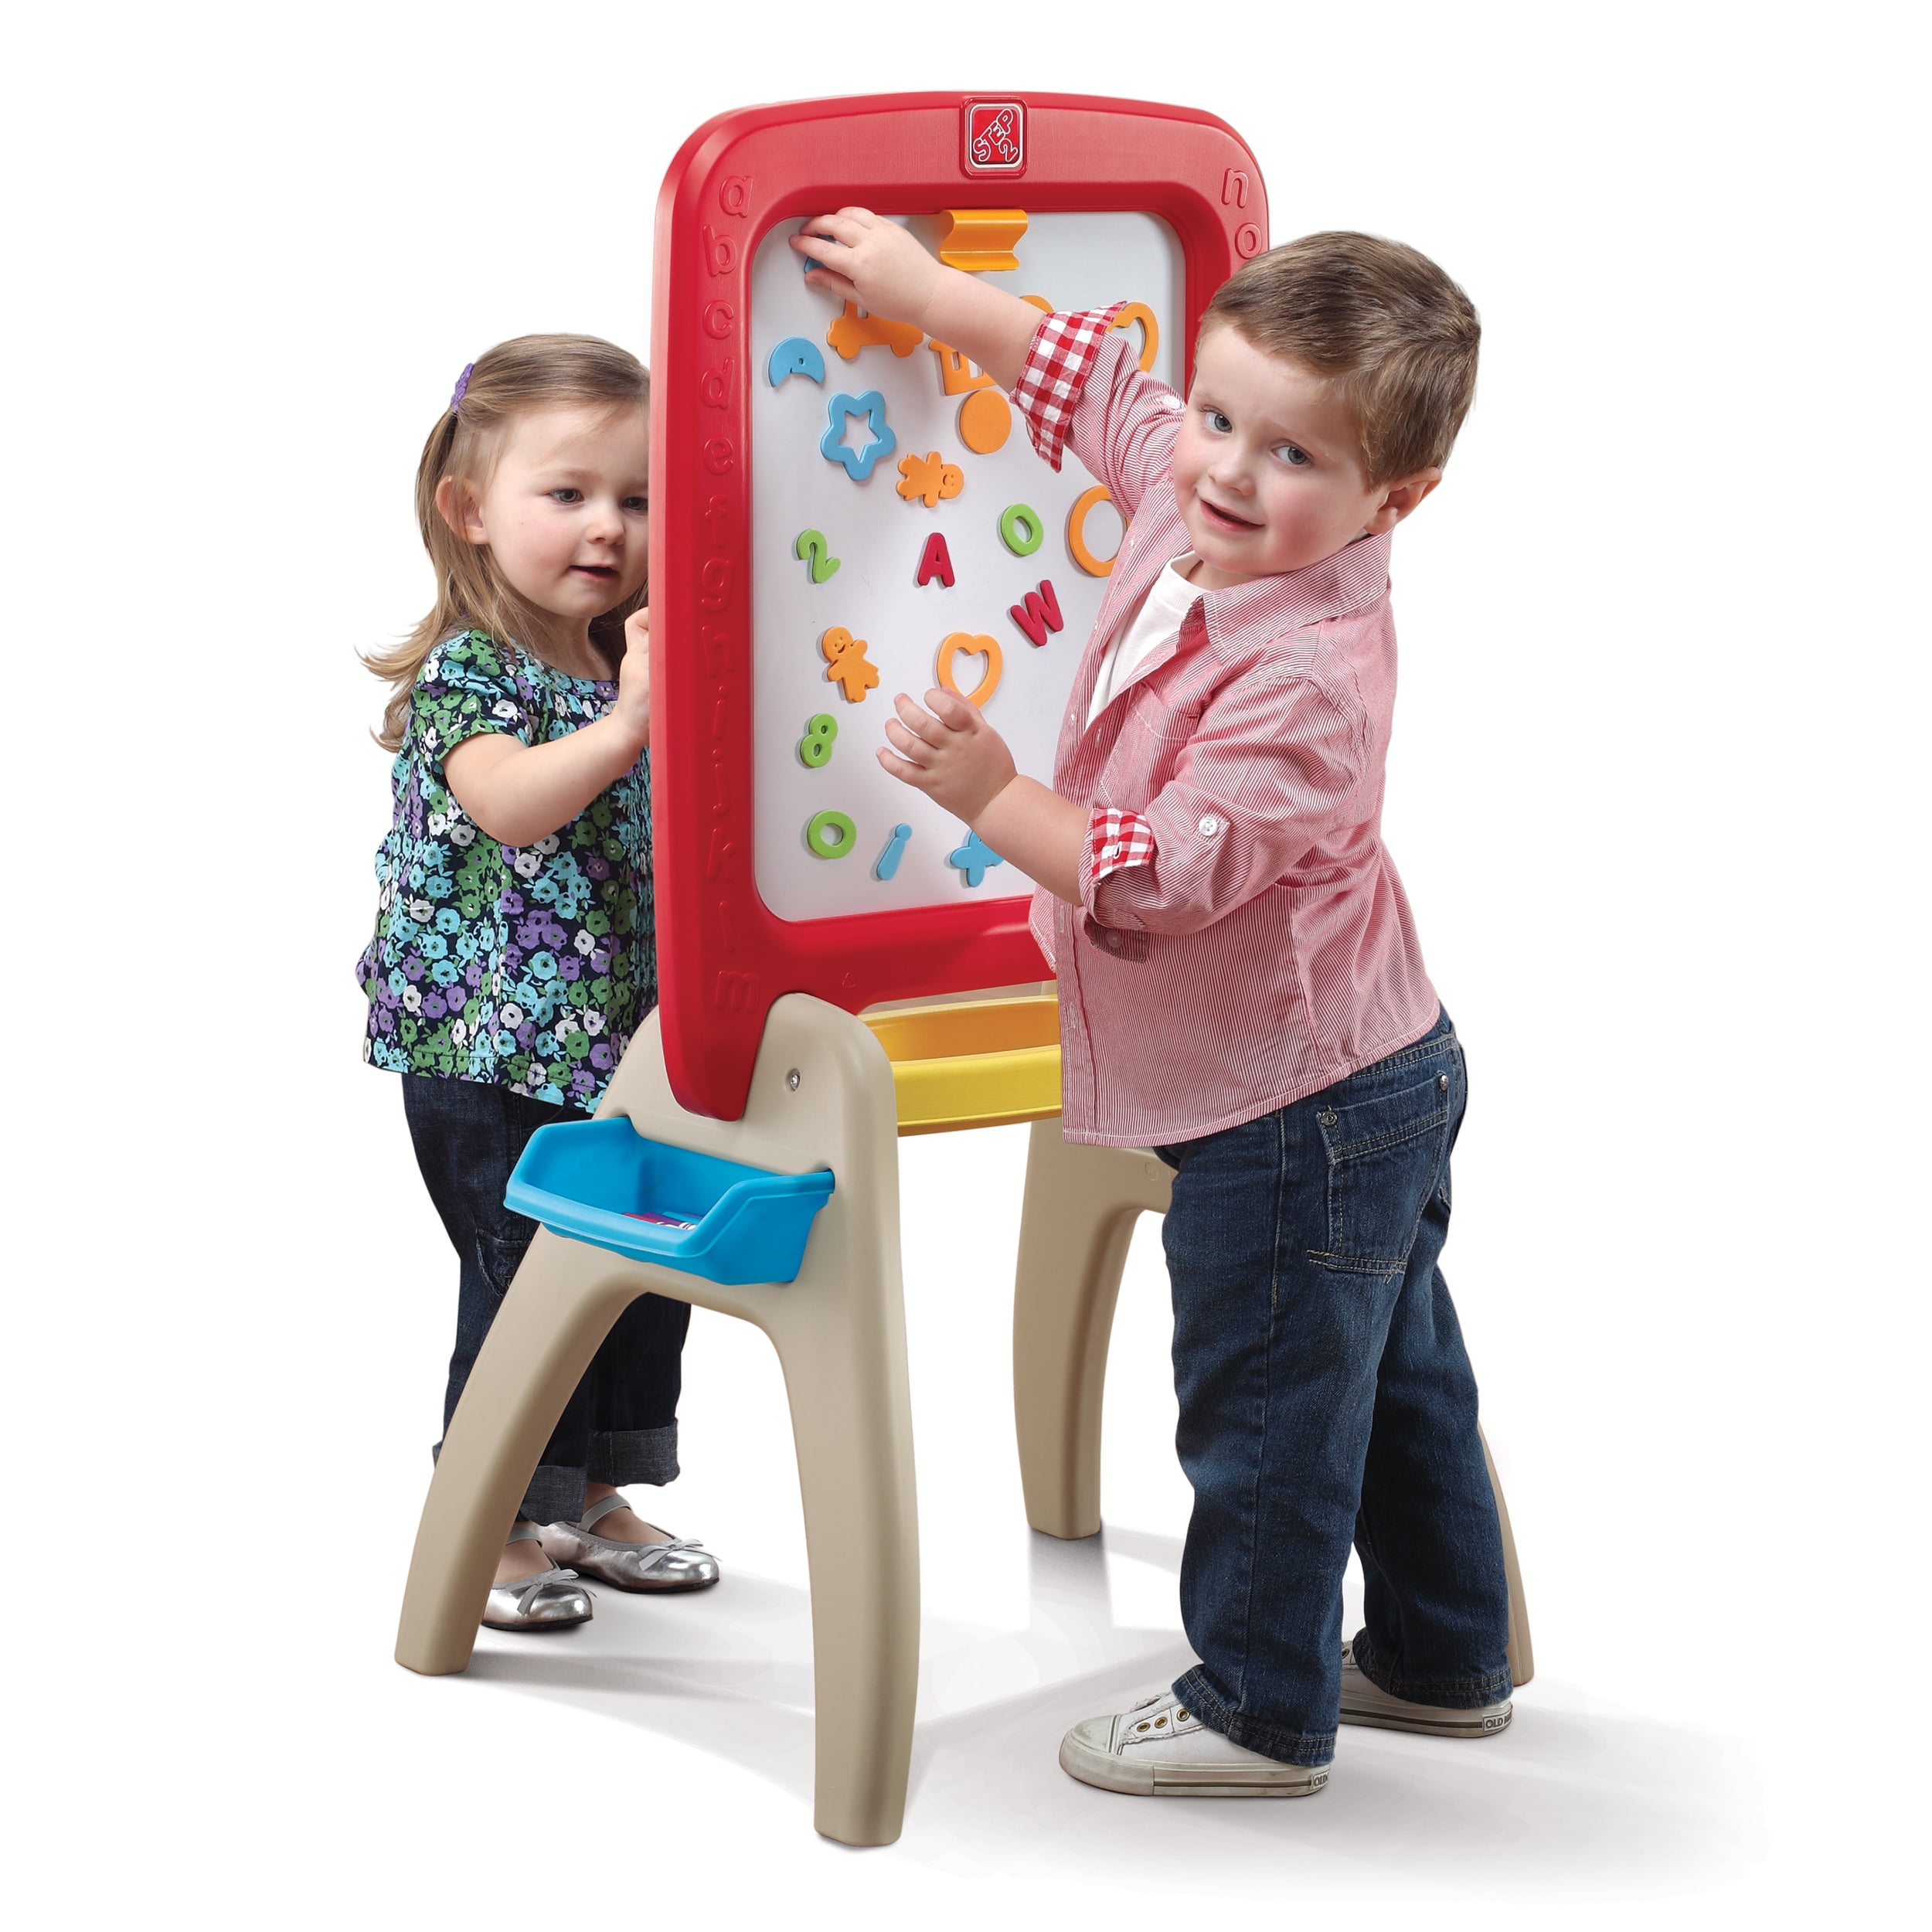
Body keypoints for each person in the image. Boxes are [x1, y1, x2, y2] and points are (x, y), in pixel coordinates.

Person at [791, 214, 1512, 1794]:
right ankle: (1444, 1654)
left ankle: (1257, 1707)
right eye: (1220, 417)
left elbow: (1165, 873)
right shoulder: (1193, 503)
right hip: (1354, 1064)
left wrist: (991, 795)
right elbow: (1099, 389)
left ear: (1395, 500)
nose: (1229, 472)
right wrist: (928, 293)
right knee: (1391, 1377)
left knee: (1264, 1406)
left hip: (1295, 1103)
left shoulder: (1309, 671)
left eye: (1293, 455)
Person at [358, 335, 717, 1632]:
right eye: (568, 493)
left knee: (640, 1270)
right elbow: (511, 804)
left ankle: (595, 1496)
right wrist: (627, 730)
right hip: (489, 1052)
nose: (609, 527)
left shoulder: (628, 664)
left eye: (639, 498)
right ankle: (496, 1519)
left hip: (619, 1049)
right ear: (470, 509)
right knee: (525, 1283)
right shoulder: (473, 671)